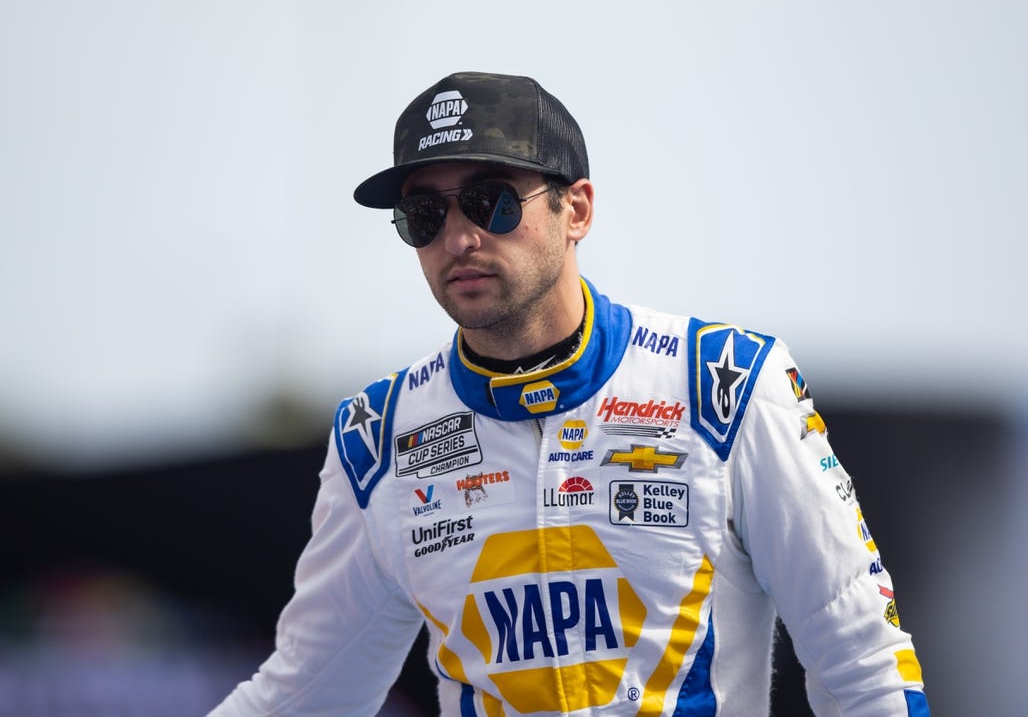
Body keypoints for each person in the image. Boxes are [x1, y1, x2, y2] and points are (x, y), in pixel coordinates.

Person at [208, 71, 930, 717]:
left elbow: (861, 659)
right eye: (425, 215)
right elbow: (305, 692)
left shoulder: (726, 383)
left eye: (489, 202)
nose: (458, 238)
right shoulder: (380, 436)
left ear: (576, 209)